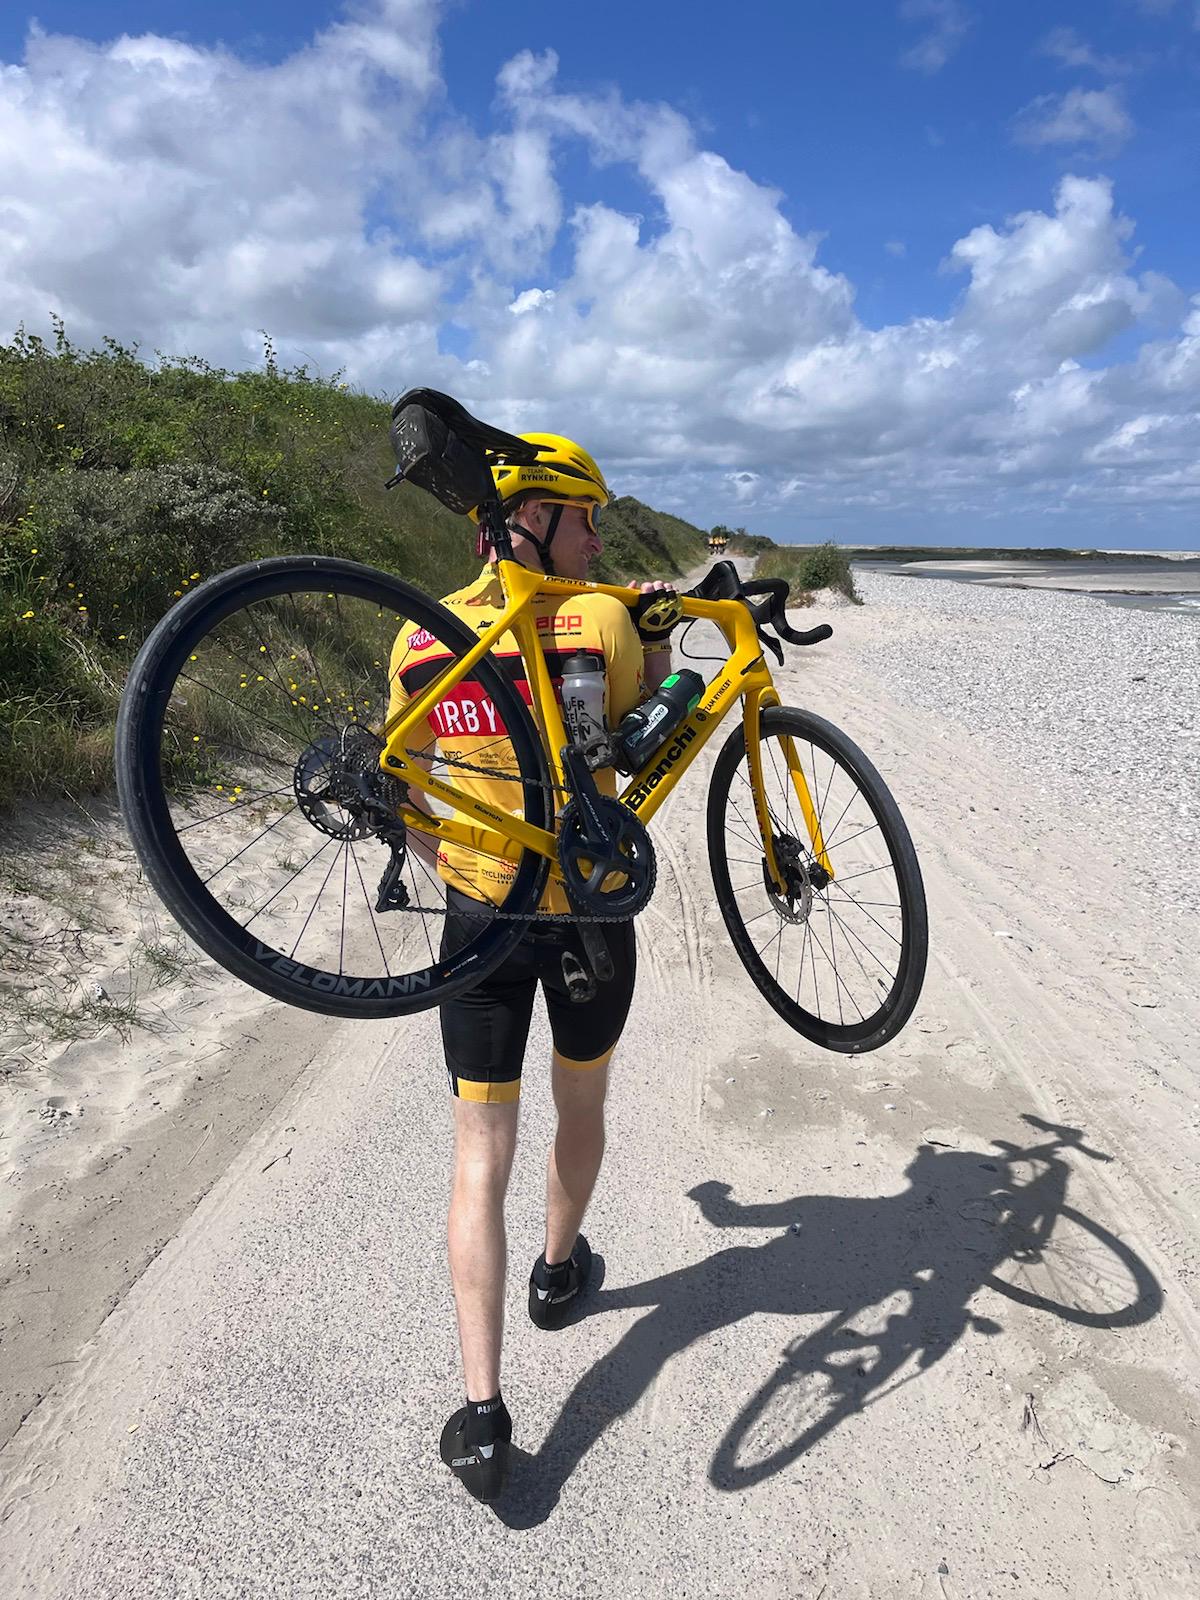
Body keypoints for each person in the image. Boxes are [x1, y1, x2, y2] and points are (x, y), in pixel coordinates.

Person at [385, 433, 677, 1502]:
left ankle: (481, 1409)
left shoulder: (419, 636)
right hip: (588, 914)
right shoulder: (598, 617)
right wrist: (664, 642)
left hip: (480, 916)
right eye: (586, 517)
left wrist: (466, 871)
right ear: (538, 519)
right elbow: (645, 743)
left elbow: (410, 794)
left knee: (479, 1151)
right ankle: (560, 1273)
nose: (597, 539)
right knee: (581, 1101)